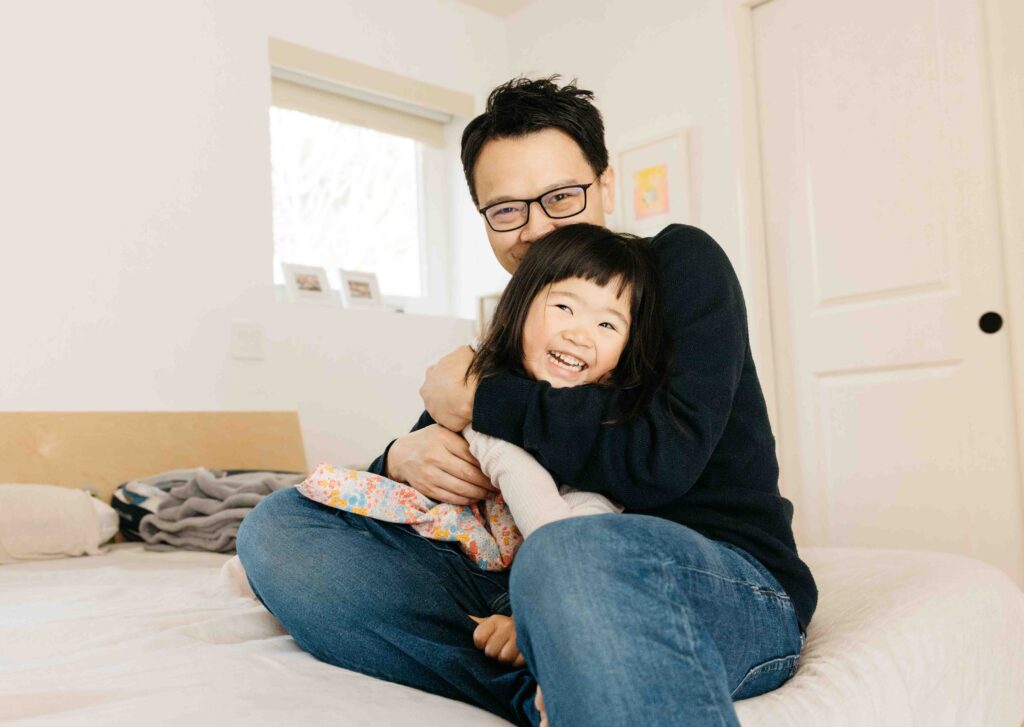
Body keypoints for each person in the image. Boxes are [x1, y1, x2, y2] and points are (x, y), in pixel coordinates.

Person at [237, 76, 817, 727]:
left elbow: (660, 462)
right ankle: (546, 680)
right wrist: (400, 455)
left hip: (713, 575)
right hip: (519, 581)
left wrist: (480, 394)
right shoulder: (515, 325)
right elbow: (431, 472)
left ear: (606, 185)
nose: (535, 228)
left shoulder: (679, 264)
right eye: (506, 209)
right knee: (281, 526)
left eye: (561, 197)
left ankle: (561, 662)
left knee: (570, 552)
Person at [292, 224, 666, 665]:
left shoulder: (613, 414)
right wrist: (396, 457)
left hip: (545, 574)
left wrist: (545, 603)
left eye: (606, 324)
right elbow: (516, 472)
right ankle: (516, 644)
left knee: (595, 557)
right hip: (466, 555)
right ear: (520, 309)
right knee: (284, 519)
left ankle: (528, 646)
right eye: (564, 307)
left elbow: (594, 509)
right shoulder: (485, 390)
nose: (580, 335)